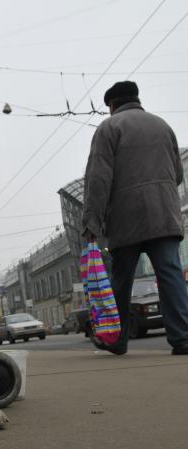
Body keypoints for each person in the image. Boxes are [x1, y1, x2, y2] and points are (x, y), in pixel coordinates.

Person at [82, 80, 188, 355]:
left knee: (121, 280)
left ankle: (116, 340)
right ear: (136, 99)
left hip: (126, 219)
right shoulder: (162, 125)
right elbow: (177, 174)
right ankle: (183, 338)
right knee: (171, 275)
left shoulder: (109, 128)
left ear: (112, 105)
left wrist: (91, 222)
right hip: (164, 216)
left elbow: (98, 179)